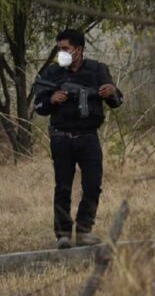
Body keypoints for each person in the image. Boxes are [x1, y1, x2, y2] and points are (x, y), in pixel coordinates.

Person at [34, 29, 123, 249]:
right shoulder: (52, 73)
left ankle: (84, 230)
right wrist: (52, 100)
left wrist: (111, 91)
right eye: (59, 48)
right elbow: (39, 106)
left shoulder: (97, 70)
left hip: (88, 137)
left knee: (92, 185)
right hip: (62, 138)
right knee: (63, 187)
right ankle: (63, 234)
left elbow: (116, 101)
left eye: (65, 48)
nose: (61, 52)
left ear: (78, 50)